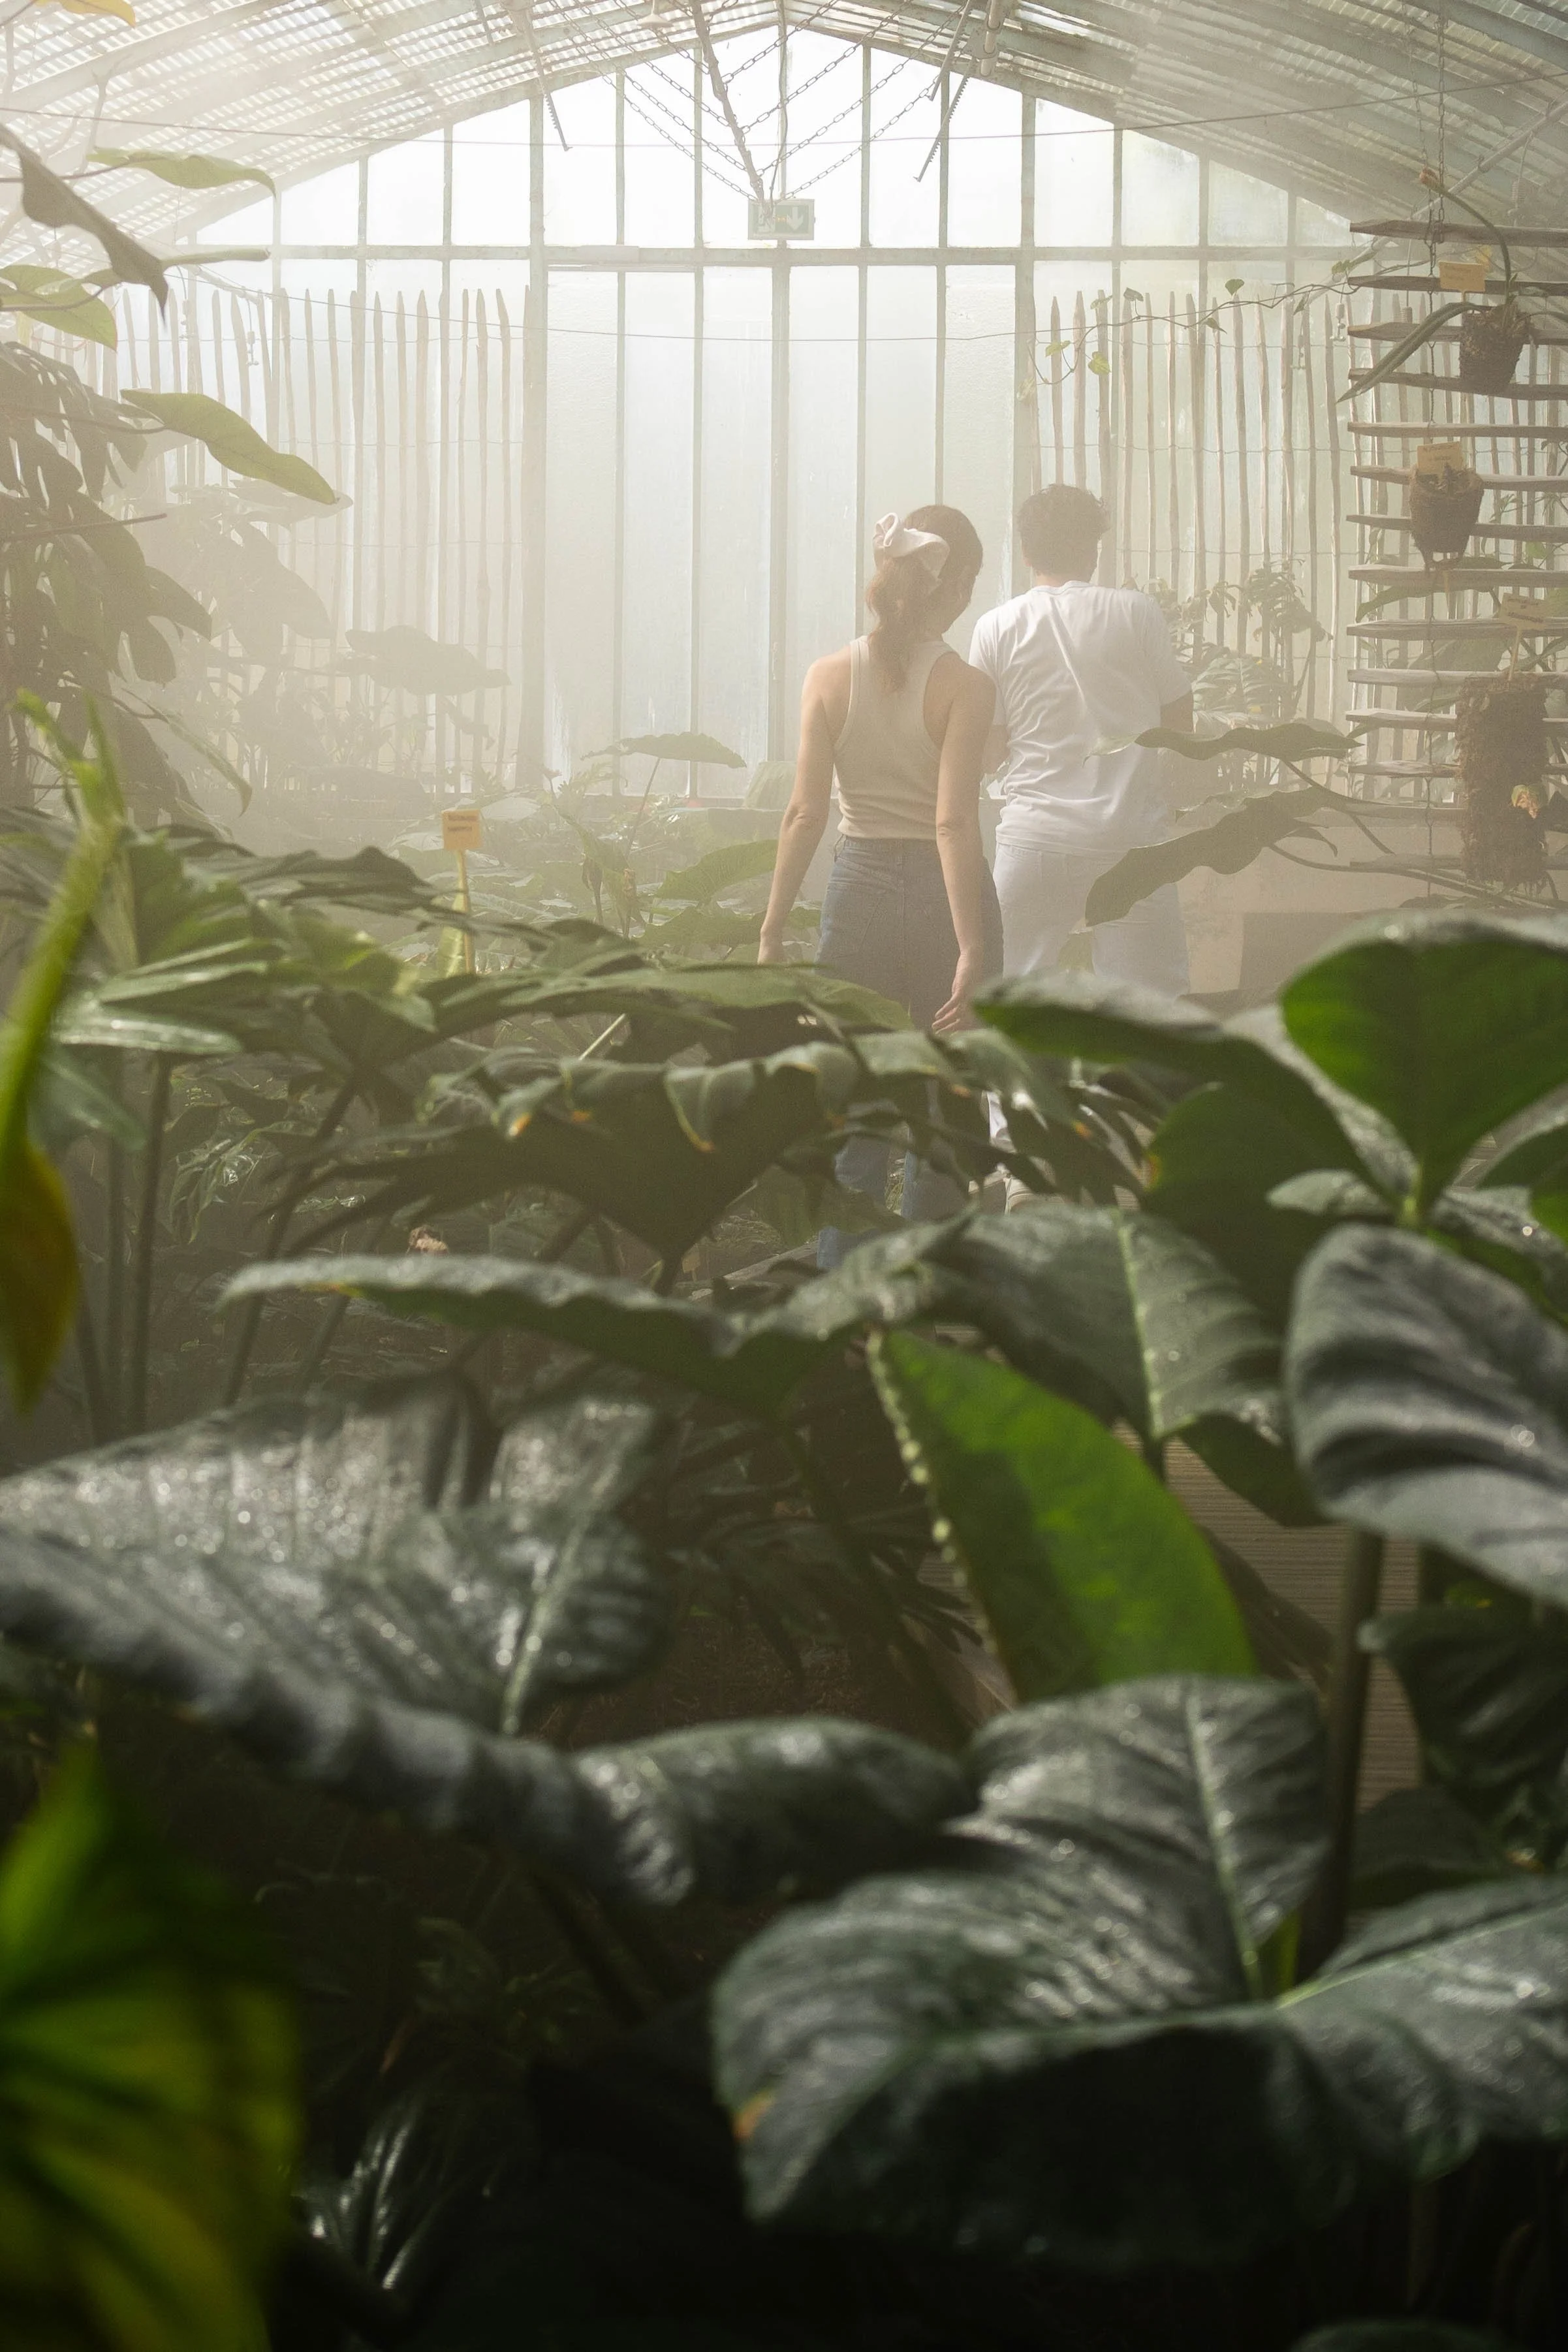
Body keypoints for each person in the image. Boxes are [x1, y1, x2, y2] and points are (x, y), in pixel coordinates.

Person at [758, 503, 1002, 1264]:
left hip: (856, 890)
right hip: (943, 898)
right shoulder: (965, 686)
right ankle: (921, 1287)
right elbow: (952, 824)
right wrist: (971, 947)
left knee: (857, 1101)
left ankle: (846, 1291)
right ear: (956, 585)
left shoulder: (826, 676)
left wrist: (771, 929)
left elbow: (803, 814)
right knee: (945, 1104)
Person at [970, 481, 1194, 994]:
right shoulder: (1136, 612)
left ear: (1026, 553)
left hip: (1033, 842)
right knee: (1148, 1010)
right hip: (1130, 843)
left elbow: (990, 751)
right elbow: (1181, 721)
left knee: (1009, 1003)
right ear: (1093, 550)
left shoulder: (994, 627)